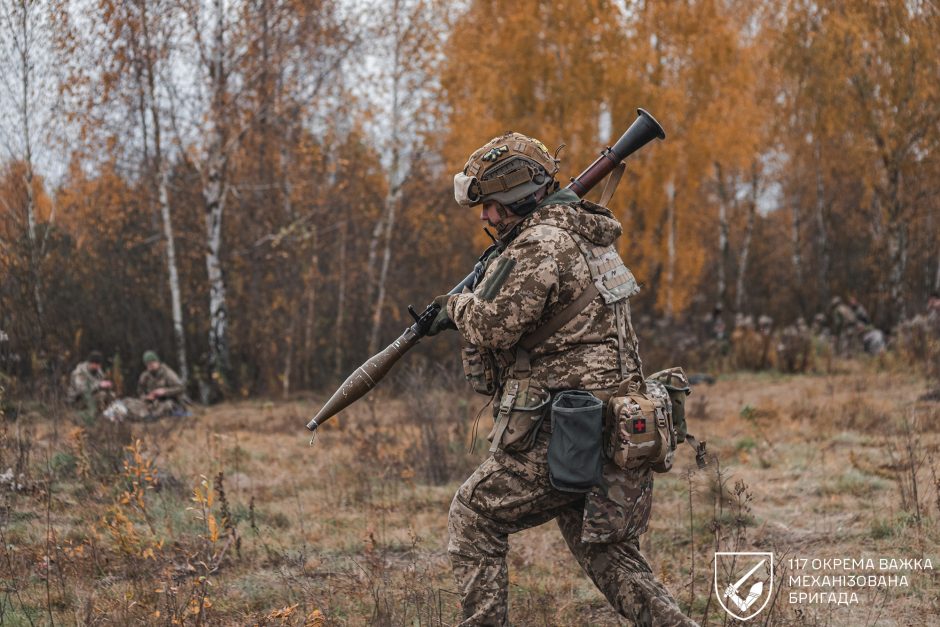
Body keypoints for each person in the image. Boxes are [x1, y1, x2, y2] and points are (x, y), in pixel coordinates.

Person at [428, 132, 696, 626]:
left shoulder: (540, 243)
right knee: (609, 556)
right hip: (609, 425)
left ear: (516, 196)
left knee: (474, 516)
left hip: (563, 430)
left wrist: (454, 307)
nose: (485, 217)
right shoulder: (584, 231)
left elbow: (492, 325)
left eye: (489, 205)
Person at [115, 351, 186, 421]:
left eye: (153, 362)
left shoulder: (168, 373)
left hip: (170, 401)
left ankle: (146, 417)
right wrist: (146, 397)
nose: (151, 365)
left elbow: (180, 388)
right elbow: (140, 391)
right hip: (152, 402)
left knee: (167, 406)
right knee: (127, 401)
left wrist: (164, 391)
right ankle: (117, 414)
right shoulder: (145, 376)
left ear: (158, 362)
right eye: (148, 364)